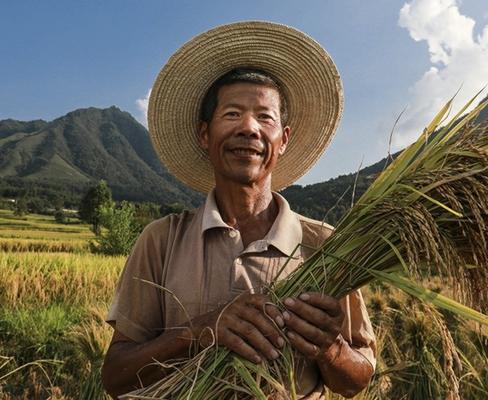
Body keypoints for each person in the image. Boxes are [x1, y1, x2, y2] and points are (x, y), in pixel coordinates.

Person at [101, 21, 376, 399]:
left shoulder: (325, 245)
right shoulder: (162, 240)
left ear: (283, 140)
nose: (249, 128)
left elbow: (358, 380)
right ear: (204, 135)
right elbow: (115, 377)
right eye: (231, 114)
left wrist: (329, 346)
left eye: (265, 117)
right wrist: (199, 332)